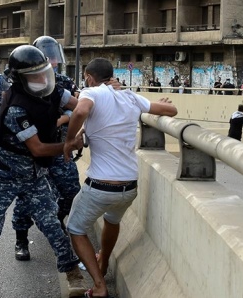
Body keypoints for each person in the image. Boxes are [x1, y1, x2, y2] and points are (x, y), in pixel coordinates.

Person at [0, 45, 87, 297]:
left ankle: (71, 271)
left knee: (53, 225)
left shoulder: (55, 91)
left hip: (34, 176)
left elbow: (81, 105)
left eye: (43, 72)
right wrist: (67, 145)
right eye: (35, 75)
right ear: (21, 78)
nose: (42, 79)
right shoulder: (16, 107)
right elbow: (39, 148)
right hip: (4, 174)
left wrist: (86, 107)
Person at [63, 57, 177, 298]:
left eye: (85, 78)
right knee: (112, 221)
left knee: (75, 228)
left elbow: (81, 110)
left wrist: (69, 140)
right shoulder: (130, 96)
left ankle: (99, 285)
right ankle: (102, 266)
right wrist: (163, 103)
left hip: (101, 186)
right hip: (129, 187)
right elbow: (171, 110)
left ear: (90, 77)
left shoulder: (91, 92)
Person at [9, 35, 80, 261]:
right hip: (30, 151)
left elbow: (77, 106)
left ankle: (56, 223)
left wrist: (60, 120)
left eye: (53, 56)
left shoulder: (63, 83)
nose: (53, 61)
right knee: (26, 199)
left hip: (59, 146)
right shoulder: (24, 81)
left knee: (71, 190)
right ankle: (21, 238)